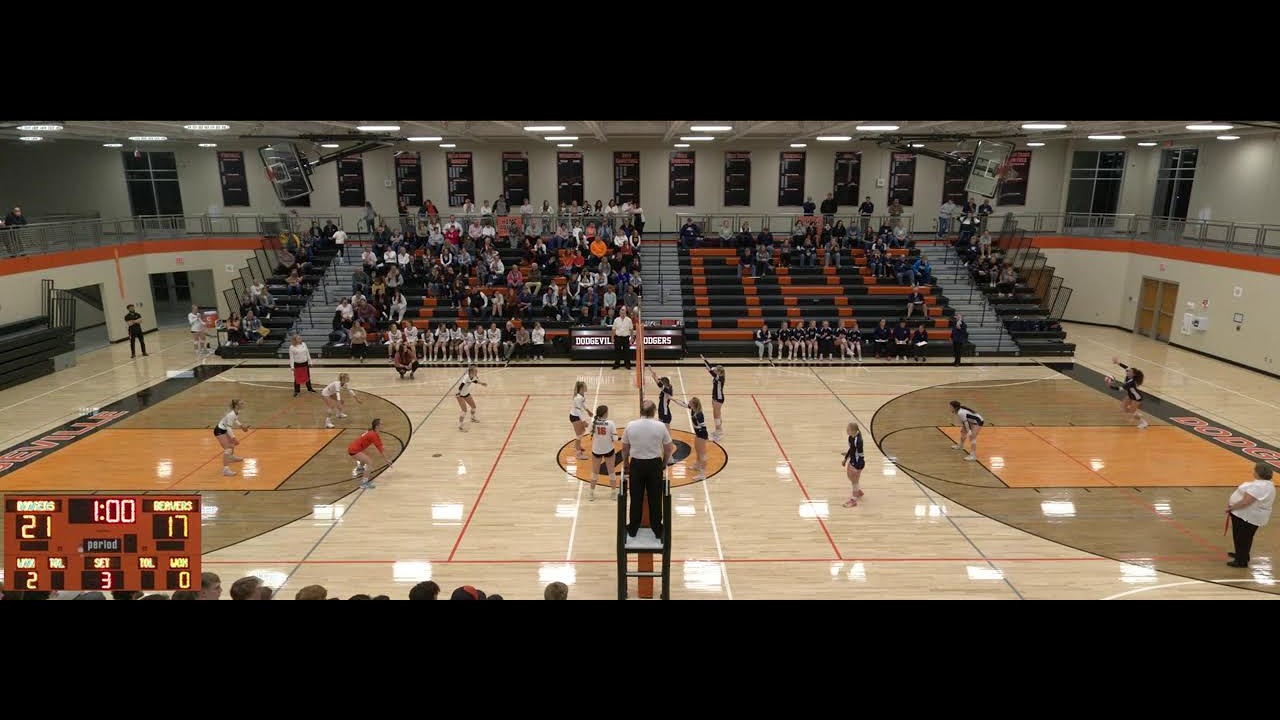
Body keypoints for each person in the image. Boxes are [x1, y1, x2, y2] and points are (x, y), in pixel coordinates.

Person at [620, 400, 675, 541]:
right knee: (655, 498)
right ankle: (657, 529)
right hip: (654, 465)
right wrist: (663, 463)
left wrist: (626, 463)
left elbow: (624, 448)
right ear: (654, 411)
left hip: (636, 465)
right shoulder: (660, 426)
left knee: (636, 497)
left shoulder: (631, 425)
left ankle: (633, 529)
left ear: (641, 411)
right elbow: (669, 448)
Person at [1226, 464, 1276, 568]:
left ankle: (1241, 561)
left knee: (1242, 538)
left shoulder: (1259, 487)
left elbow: (1246, 501)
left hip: (1247, 516)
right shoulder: (1267, 484)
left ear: (1258, 473)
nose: (1253, 472)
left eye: (1254, 470)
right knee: (1244, 537)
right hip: (1249, 516)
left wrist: (1231, 508)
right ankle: (1242, 555)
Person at [1105, 358, 1148, 429]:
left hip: (1136, 398)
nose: (1127, 372)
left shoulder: (1131, 382)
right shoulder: (1129, 376)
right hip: (1130, 395)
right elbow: (1126, 367)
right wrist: (1117, 362)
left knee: (1131, 413)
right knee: (1123, 408)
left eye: (1129, 372)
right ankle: (1135, 413)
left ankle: (1144, 423)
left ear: (1133, 374)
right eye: (1128, 371)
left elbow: (1120, 389)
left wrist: (1110, 386)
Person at [348, 418, 391, 489]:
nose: (383, 425)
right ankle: (364, 483)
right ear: (377, 426)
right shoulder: (373, 435)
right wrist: (387, 459)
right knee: (369, 462)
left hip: (355, 448)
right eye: (381, 424)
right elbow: (380, 449)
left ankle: (360, 468)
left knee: (366, 455)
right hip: (354, 450)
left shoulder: (371, 432)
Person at [588, 404, 618, 501]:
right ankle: (613, 493)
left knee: (594, 472)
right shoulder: (611, 423)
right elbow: (615, 439)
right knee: (611, 472)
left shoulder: (593, 423)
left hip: (596, 450)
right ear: (605, 413)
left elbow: (590, 433)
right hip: (608, 449)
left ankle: (591, 493)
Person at [213, 399, 248, 477]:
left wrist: (241, 426)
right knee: (228, 449)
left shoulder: (237, 412)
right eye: (241, 403)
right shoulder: (231, 414)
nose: (243, 404)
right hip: (219, 431)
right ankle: (226, 470)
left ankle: (231, 458)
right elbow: (228, 428)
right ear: (236, 405)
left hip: (223, 429)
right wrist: (234, 438)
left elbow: (235, 419)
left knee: (231, 445)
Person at [700, 355, 726, 440]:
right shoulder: (718, 375)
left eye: (716, 371)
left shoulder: (720, 378)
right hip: (715, 397)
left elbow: (711, 372)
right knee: (716, 414)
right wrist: (704, 360)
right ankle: (718, 430)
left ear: (719, 372)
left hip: (719, 398)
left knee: (716, 415)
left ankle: (719, 432)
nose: (715, 371)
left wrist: (709, 370)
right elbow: (711, 367)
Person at [455, 365, 487, 431]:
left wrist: (482, 383)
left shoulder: (472, 376)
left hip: (466, 393)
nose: (477, 371)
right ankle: (460, 426)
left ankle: (472, 418)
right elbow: (461, 385)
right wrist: (458, 393)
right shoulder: (466, 377)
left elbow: (474, 381)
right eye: (475, 370)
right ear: (472, 372)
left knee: (473, 407)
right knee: (464, 411)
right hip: (460, 394)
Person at [842, 422, 866, 507]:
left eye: (848, 429)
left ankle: (854, 500)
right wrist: (845, 459)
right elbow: (851, 449)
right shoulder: (850, 437)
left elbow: (861, 455)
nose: (846, 430)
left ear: (853, 431)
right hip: (853, 461)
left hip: (858, 463)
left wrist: (857, 468)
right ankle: (858, 491)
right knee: (850, 477)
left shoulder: (858, 441)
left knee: (854, 481)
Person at [569, 380, 590, 460]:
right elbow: (578, 410)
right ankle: (578, 454)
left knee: (583, 431)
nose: (586, 387)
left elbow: (582, 404)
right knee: (579, 435)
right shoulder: (578, 398)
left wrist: (588, 411)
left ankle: (577, 445)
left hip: (576, 416)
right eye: (585, 386)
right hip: (575, 417)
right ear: (581, 388)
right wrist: (583, 421)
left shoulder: (581, 396)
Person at [611, 306, 634, 370]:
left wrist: (631, 338)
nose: (622, 314)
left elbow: (631, 330)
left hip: (626, 338)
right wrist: (612, 338)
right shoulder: (616, 320)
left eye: (623, 312)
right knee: (617, 351)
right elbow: (613, 330)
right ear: (619, 313)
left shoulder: (629, 320)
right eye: (621, 312)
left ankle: (627, 364)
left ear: (625, 313)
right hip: (618, 338)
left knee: (627, 352)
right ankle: (617, 364)